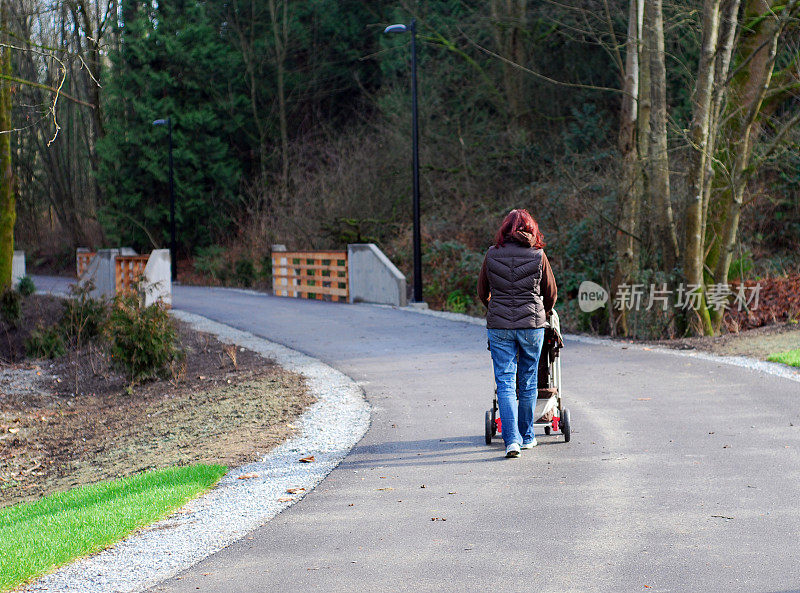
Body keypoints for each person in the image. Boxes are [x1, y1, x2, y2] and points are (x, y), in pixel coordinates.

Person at [477, 209, 557, 458]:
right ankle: (527, 437)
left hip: (499, 326)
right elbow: (551, 292)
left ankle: (511, 440)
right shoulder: (538, 255)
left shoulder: (492, 254)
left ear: (504, 229)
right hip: (532, 326)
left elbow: (482, 290)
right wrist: (544, 311)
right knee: (528, 380)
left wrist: (495, 308)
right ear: (531, 228)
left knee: (505, 381)